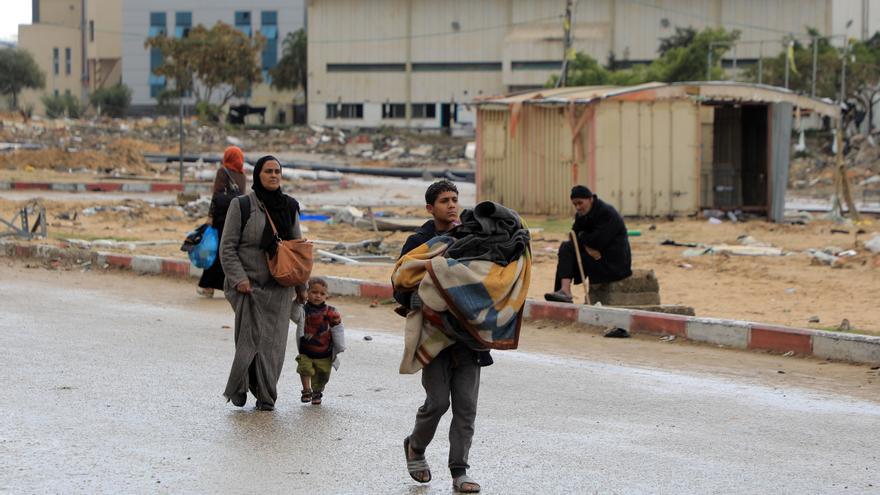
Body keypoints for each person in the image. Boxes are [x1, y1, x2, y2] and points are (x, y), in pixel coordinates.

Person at [394, 180, 486, 494]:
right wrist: (413, 300)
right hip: (433, 335)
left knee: (466, 407)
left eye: (455, 199)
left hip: (468, 336)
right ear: (430, 208)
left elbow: (488, 276)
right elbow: (400, 281)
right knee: (436, 403)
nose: (451, 204)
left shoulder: (473, 237)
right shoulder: (419, 242)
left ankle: (459, 471)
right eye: (444, 200)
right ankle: (416, 447)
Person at [219, 155, 306, 411]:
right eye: (268, 171)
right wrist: (239, 279)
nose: (274, 175)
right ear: (258, 175)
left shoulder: (289, 207)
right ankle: (240, 386)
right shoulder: (242, 205)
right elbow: (227, 247)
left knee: (274, 345)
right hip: (248, 288)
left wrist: (301, 286)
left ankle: (267, 395)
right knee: (249, 341)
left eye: (277, 171)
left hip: (279, 288)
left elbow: (297, 250)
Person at [544, 185, 632, 303]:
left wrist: (583, 237)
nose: (578, 207)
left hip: (612, 261)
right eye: (575, 204)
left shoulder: (606, 213)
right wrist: (588, 246)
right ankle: (564, 291)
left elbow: (598, 240)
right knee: (566, 248)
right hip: (594, 255)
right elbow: (573, 237)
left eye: (580, 203)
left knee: (571, 252)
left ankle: (564, 293)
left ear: (590, 199)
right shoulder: (581, 215)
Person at [197, 146, 247, 298]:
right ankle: (229, 287)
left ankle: (208, 287)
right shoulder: (242, 174)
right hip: (235, 217)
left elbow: (216, 194)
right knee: (230, 252)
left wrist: (210, 216)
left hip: (220, 218)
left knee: (215, 251)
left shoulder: (222, 171)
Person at [290, 277, 345, 406]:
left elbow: (338, 329)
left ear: (326, 295)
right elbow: (293, 315)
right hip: (306, 350)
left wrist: (340, 345)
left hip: (324, 352)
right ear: (307, 293)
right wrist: (297, 302)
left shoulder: (330, 312)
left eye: (322, 294)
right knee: (304, 369)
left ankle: (317, 392)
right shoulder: (303, 310)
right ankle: (306, 390)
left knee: (323, 375)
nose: (318, 296)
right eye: (314, 292)